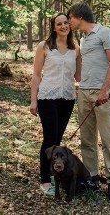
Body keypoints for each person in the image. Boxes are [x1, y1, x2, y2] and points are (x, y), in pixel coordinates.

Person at [67, 2, 110, 202]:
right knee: (87, 140)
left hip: (103, 94)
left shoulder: (105, 33)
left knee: (108, 139)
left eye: (70, 18)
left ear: (79, 16)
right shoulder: (83, 38)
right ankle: (91, 178)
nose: (69, 21)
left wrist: (105, 90)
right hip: (84, 93)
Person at [30, 12, 81, 195]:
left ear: (70, 25)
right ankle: (45, 180)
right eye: (59, 24)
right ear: (53, 27)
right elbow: (36, 75)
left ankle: (54, 174)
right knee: (49, 139)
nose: (63, 26)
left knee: (58, 139)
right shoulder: (44, 46)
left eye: (66, 23)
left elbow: (79, 76)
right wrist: (33, 100)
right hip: (47, 97)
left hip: (67, 98)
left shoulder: (76, 48)